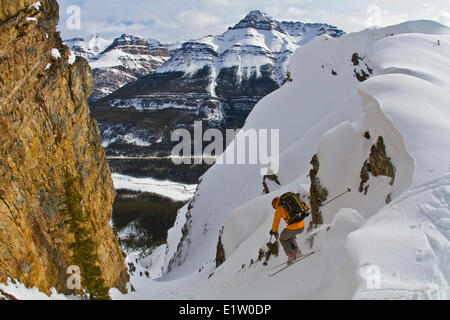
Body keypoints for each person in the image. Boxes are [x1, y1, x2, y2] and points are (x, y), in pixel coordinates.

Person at [269, 197, 305, 264]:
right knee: (288, 236)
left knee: (282, 239)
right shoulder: (288, 202)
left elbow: (276, 222)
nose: (275, 208)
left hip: (294, 226)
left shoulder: (279, 209)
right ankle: (297, 251)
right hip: (302, 226)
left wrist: (273, 231)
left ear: (275, 204)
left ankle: (291, 255)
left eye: (274, 206)